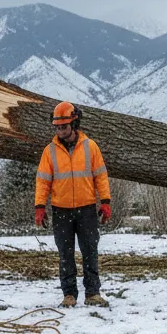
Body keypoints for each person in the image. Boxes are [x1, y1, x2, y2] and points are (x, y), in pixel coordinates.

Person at [34, 101, 112, 307]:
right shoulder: (49, 151)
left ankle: (93, 293)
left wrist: (105, 202)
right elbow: (43, 181)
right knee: (65, 254)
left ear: (74, 124)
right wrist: (39, 206)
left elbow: (101, 177)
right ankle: (69, 294)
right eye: (57, 127)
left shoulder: (90, 147)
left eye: (64, 127)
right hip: (61, 210)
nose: (60, 131)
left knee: (90, 251)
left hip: (86, 209)